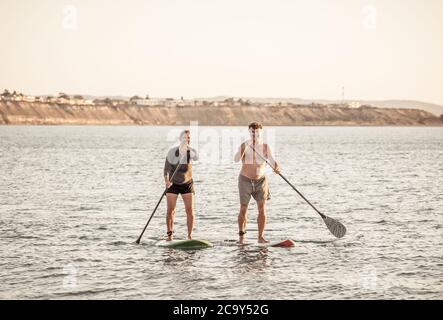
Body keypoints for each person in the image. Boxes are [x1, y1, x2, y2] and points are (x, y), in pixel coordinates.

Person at [234, 122, 280, 244]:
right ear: (249, 132)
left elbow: (272, 160)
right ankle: (241, 234)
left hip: (261, 181)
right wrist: (244, 148)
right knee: (243, 208)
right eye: (252, 132)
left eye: (257, 132)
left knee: (262, 209)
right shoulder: (245, 145)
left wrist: (276, 167)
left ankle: (260, 236)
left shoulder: (265, 147)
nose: (255, 134)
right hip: (245, 180)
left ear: (261, 133)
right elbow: (236, 159)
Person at [163, 130, 198, 241]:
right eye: (184, 137)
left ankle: (190, 236)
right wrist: (167, 182)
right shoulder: (172, 152)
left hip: (187, 183)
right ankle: (170, 234)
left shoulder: (190, 152)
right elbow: (166, 170)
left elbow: (196, 157)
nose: (186, 139)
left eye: (188, 138)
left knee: (190, 210)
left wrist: (190, 150)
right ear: (180, 139)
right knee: (171, 210)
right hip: (173, 183)